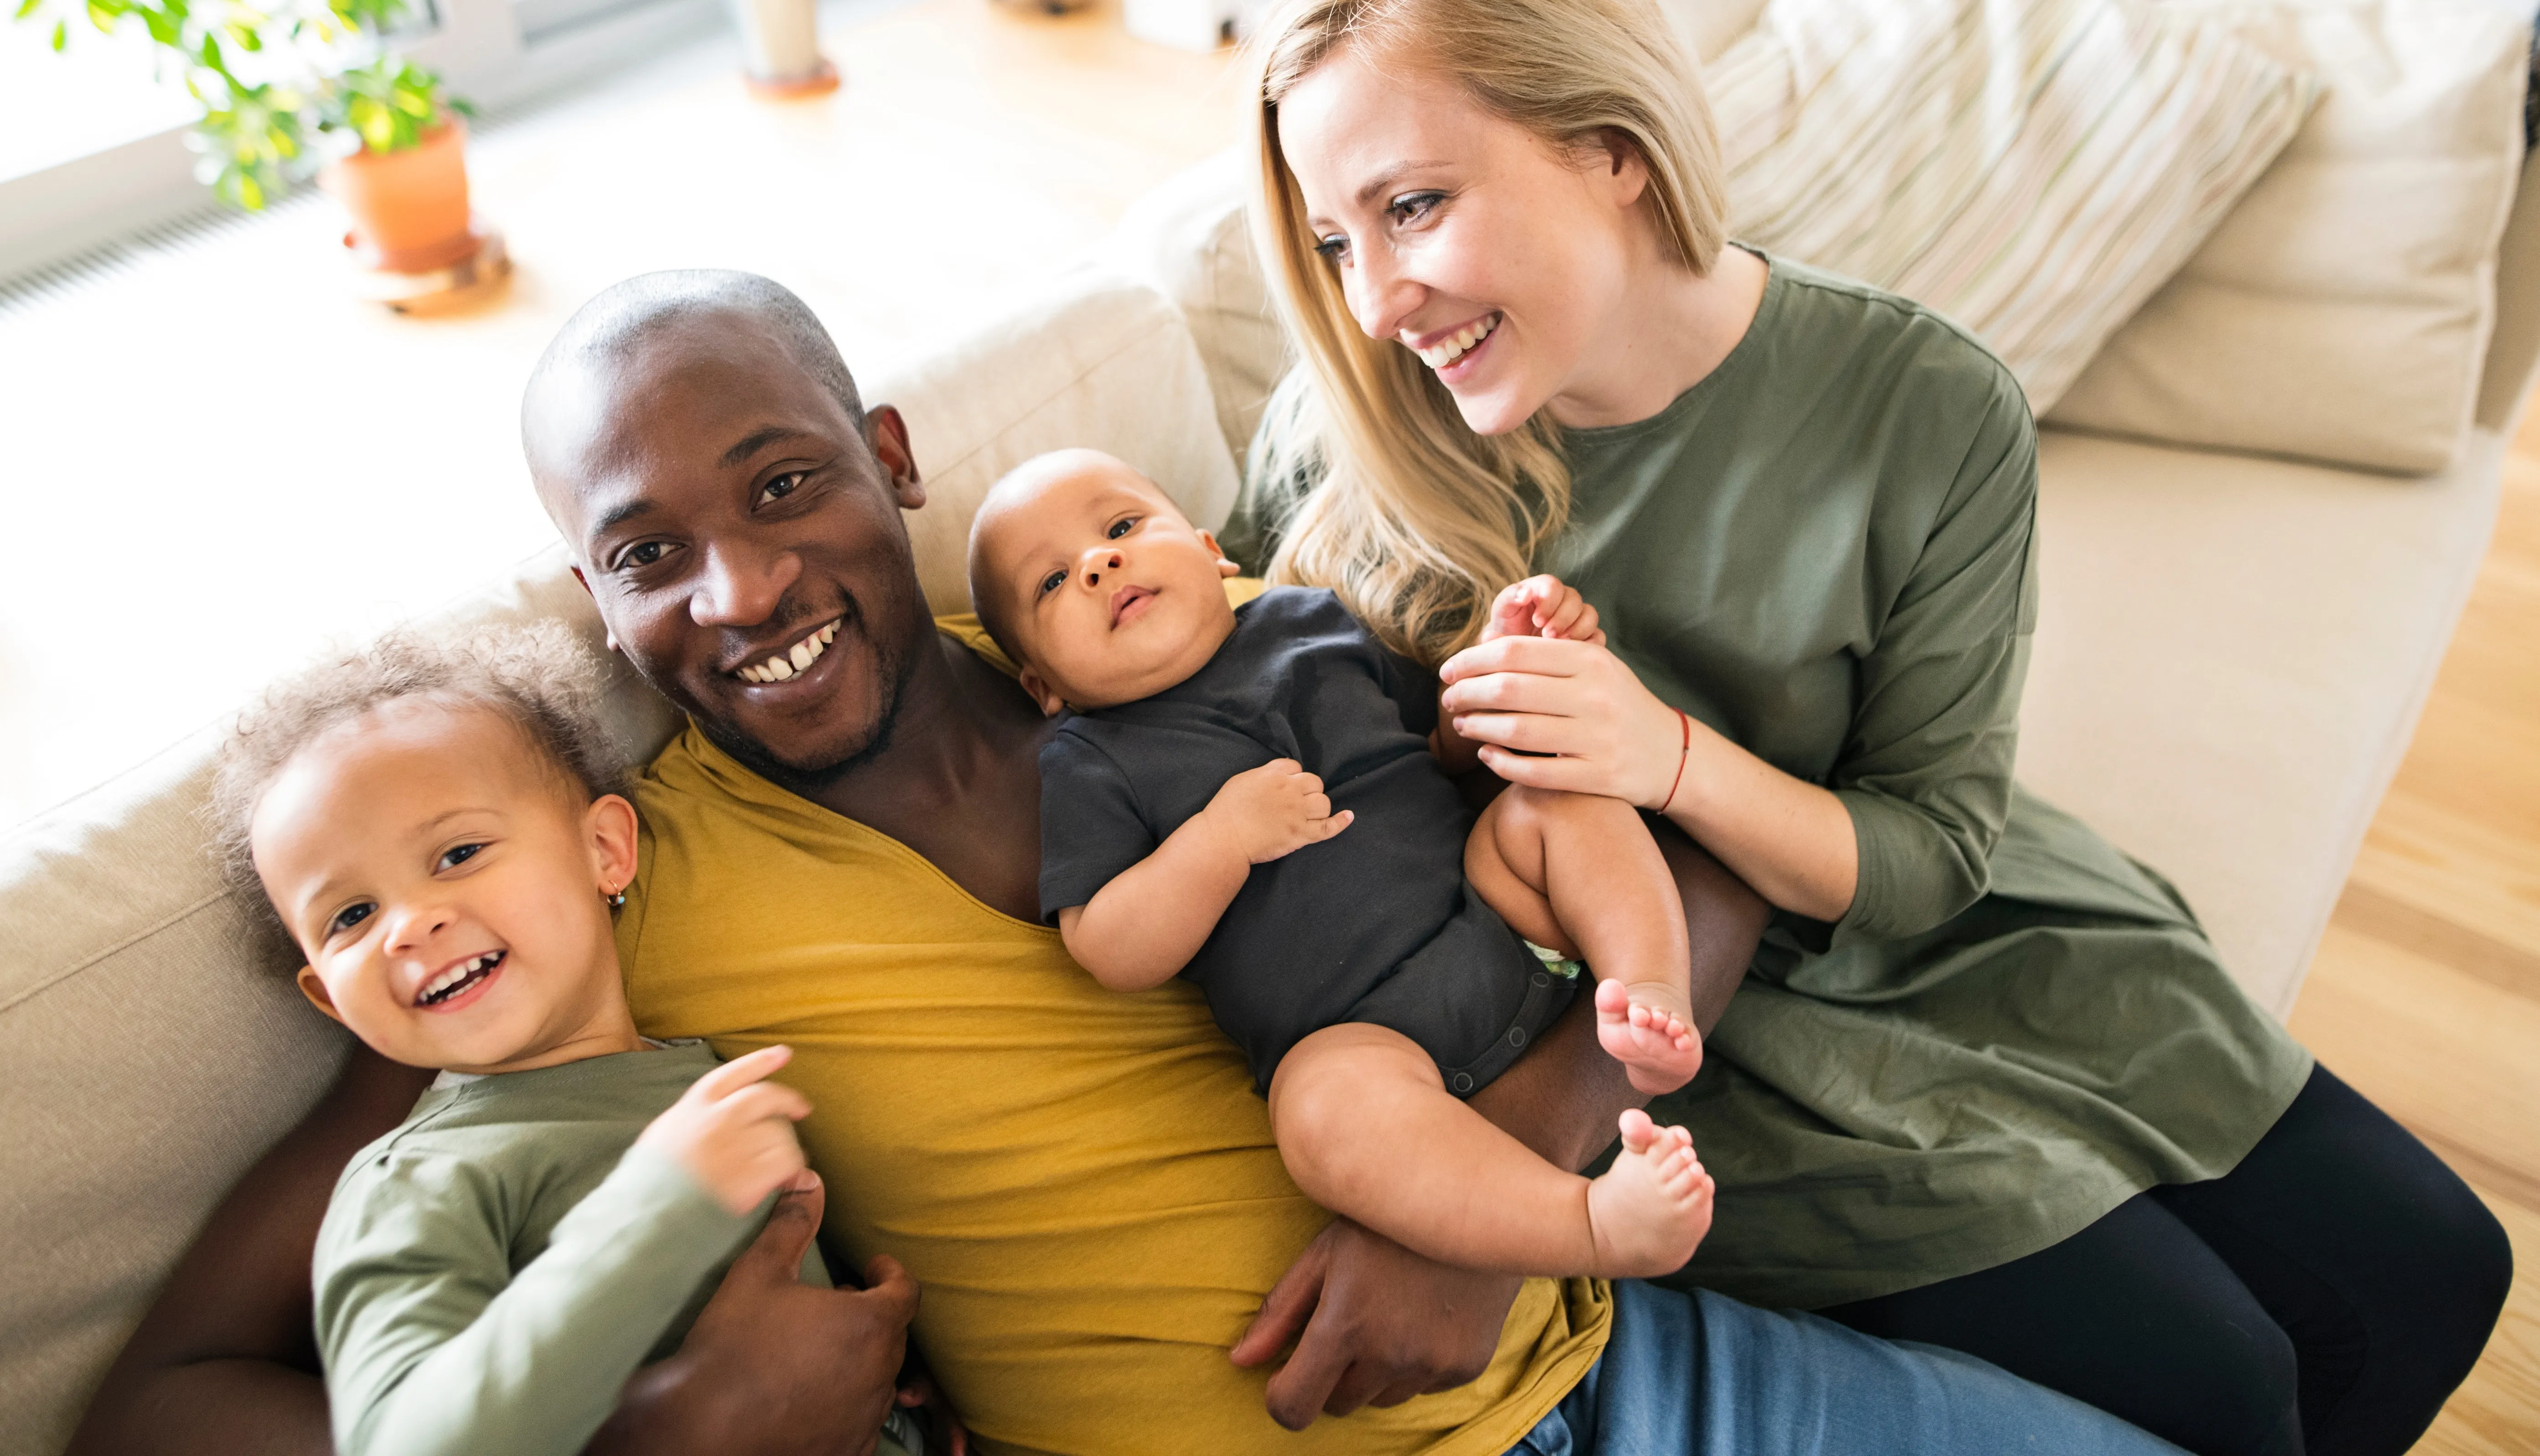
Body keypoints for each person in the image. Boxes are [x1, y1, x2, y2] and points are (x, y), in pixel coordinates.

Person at [74, 266, 2189, 1456]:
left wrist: (1510, 1185)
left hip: (1615, 1365)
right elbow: (162, 1404)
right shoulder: (605, 881)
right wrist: (664, 1425)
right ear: (595, 605)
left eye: (786, 484)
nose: (735, 588)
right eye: (645, 557)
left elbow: (1678, 871)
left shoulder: (1185, 626)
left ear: (890, 468)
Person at [1221, 0, 2513, 1456]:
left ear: (1607, 145)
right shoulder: (1341, 457)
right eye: (1333, 236)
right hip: (1686, 1036)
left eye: (1412, 205)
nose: (1373, 301)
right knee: (2227, 1384)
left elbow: (1929, 853)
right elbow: (1244, 781)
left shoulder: (1919, 403)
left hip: (1937, 916)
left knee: (2440, 1270)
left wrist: (1668, 757)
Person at [967, 448, 1708, 1279]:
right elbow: (1108, 947)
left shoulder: (1310, 620)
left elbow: (1441, 750)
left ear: (1213, 551)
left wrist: (1500, 669)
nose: (1100, 564)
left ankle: (1646, 998)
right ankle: (1593, 1226)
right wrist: (1218, 841)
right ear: (1043, 687)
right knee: (1316, 1118)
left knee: (1552, 800)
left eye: (1122, 528)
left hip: (1498, 912)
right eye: (1053, 584)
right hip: (1360, 1040)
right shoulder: (1092, 761)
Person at [212, 623, 927, 1456]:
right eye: (352, 916)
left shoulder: (705, 1070)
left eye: (458, 854)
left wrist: (879, 1380)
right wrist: (656, 1210)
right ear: (329, 999)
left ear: (605, 850)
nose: (410, 925)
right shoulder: (415, 1184)